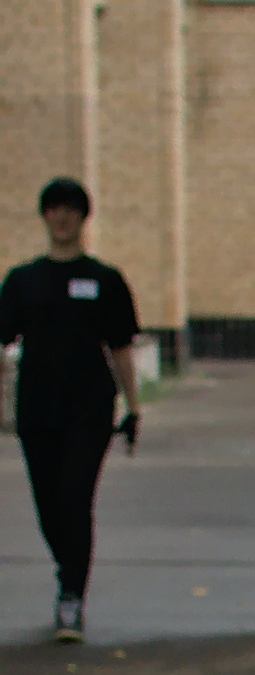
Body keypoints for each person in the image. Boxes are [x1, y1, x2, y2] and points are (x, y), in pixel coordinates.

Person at [0, 178, 138, 643]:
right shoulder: (23, 281)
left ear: (83, 217)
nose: (62, 217)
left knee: (76, 498)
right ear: (44, 216)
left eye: (70, 209)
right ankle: (69, 567)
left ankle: (71, 596)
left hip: (89, 407)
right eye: (54, 209)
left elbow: (121, 346)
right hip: (37, 407)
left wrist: (133, 406)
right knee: (48, 505)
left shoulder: (105, 280)